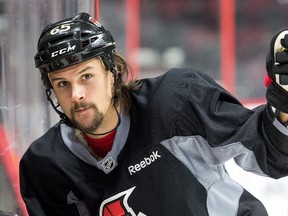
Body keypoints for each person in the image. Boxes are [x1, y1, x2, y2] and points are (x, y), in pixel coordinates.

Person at [19, 12, 288, 216]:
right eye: (62, 83)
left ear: (113, 73)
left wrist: (284, 105)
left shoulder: (175, 103)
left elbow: (272, 156)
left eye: (86, 76)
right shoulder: (45, 166)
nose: (76, 94)